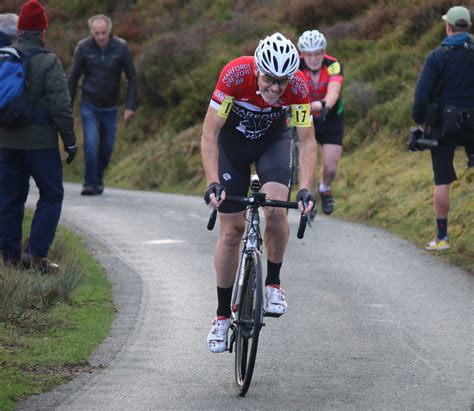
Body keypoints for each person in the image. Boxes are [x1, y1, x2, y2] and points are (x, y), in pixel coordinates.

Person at [201, 32, 316, 353]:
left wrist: (306, 188)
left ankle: (273, 284)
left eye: (283, 81)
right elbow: (210, 133)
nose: (276, 88)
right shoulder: (235, 74)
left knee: (275, 209)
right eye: (269, 79)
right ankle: (223, 315)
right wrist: (213, 182)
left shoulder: (298, 87)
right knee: (232, 231)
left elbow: (306, 141)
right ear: (256, 71)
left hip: (272, 145)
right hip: (232, 149)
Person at [0, 0, 76, 272]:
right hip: (41, 145)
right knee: (52, 194)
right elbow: (61, 106)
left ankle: (9, 259)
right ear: (43, 31)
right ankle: (35, 254)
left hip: (7, 143)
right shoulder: (48, 62)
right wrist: (69, 140)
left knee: (10, 199)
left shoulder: (4, 57)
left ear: (20, 30)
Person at [412, 6, 474, 251]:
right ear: (467, 27)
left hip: (442, 126)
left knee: (442, 180)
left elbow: (421, 95)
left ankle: (442, 238)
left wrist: (419, 120)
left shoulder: (437, 57)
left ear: (448, 27)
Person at [68, 14, 137, 196]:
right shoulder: (83, 47)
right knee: (91, 143)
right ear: (91, 32)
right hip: (88, 102)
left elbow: (132, 77)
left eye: (103, 33)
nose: (100, 37)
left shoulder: (121, 47)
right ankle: (89, 183)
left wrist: (130, 105)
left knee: (107, 146)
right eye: (96, 33)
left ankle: (98, 177)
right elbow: (73, 77)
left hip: (110, 106)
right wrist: (67, 105)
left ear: (110, 30)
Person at [297, 30, 345, 215]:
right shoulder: (297, 66)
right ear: (302, 54)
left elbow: (334, 90)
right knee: (307, 159)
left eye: (317, 53)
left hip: (330, 116)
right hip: (304, 115)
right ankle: (308, 198)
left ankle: (324, 188)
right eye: (309, 54)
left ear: (323, 51)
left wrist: (324, 103)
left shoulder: (333, 65)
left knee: (331, 167)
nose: (313, 58)